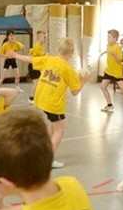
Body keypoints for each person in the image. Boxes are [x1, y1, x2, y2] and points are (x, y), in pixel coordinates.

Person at [6, 37, 89, 169]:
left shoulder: (49, 59)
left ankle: (40, 151)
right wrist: (83, 80)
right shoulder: (69, 70)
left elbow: (31, 60)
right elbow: (75, 92)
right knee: (59, 131)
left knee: (51, 126)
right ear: (72, 52)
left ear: (59, 50)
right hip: (54, 104)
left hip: (41, 99)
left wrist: (15, 55)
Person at [100, 29, 123, 114]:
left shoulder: (118, 47)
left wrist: (114, 54)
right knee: (103, 87)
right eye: (107, 37)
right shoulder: (108, 45)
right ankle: (109, 105)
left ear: (115, 38)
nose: (107, 39)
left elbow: (120, 60)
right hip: (109, 70)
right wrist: (104, 52)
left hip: (116, 72)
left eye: (109, 37)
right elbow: (108, 51)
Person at [27, 30, 47, 104]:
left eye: (45, 37)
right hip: (33, 66)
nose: (45, 38)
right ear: (38, 37)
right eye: (43, 37)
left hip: (36, 65)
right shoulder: (37, 46)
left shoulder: (39, 46)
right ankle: (31, 98)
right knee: (36, 82)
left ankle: (36, 96)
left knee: (38, 82)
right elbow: (43, 56)